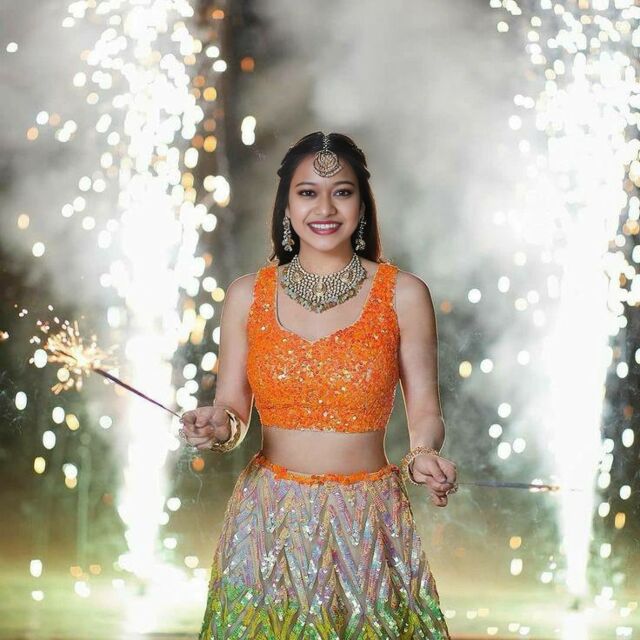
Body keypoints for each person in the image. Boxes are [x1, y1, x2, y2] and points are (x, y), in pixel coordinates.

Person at [180, 131, 457, 639]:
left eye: (342, 192)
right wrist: (216, 425)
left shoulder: (403, 294)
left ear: (362, 205)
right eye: (307, 192)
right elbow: (232, 412)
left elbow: (424, 411)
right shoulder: (246, 296)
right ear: (286, 205)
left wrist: (423, 454)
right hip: (268, 519)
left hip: (367, 520)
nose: (325, 208)